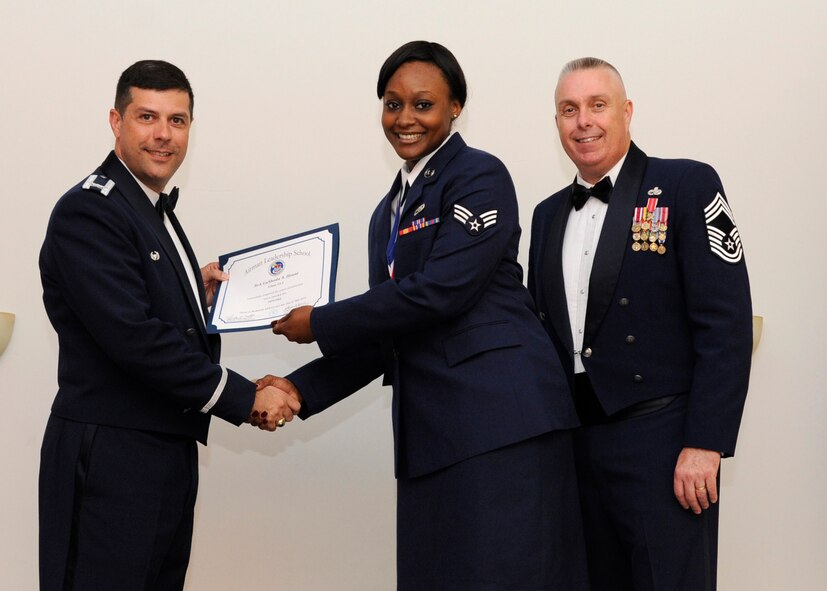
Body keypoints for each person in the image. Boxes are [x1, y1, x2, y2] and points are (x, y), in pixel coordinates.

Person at [258, 41, 588, 589]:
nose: (405, 118)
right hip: (433, 437)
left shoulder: (479, 176)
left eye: (423, 104)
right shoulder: (383, 216)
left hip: (500, 426)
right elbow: (384, 332)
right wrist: (297, 390)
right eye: (393, 104)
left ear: (455, 107)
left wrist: (320, 322)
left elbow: (441, 290)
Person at [38, 60, 299, 591]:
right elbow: (135, 338)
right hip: (112, 456)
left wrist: (190, 293)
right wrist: (245, 397)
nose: (163, 135)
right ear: (116, 121)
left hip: (160, 449)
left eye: (177, 121)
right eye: (147, 117)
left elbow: (139, 305)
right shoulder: (89, 211)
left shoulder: (147, 206)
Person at [527, 57, 752, 590]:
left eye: (597, 105)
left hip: (664, 445)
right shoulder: (545, 215)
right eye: (569, 109)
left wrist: (706, 443)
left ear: (626, 112)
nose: (583, 121)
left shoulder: (685, 184)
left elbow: (725, 324)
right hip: (577, 447)